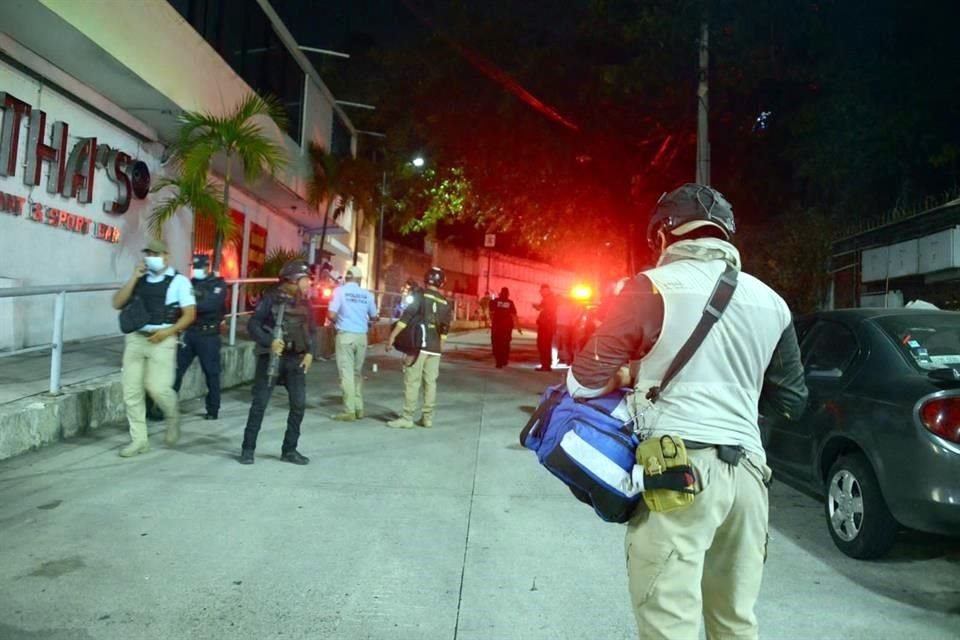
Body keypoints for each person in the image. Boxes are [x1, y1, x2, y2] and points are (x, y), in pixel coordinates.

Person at [566, 183, 808, 640]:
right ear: (724, 235)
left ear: (662, 236)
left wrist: (630, 377)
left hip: (676, 476)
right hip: (749, 479)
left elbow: (582, 382)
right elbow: (791, 401)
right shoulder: (772, 302)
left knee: (670, 624)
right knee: (736, 623)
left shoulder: (652, 286)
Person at [111, 238, 196, 458]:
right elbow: (117, 303)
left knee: (157, 388)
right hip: (136, 339)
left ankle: (172, 414)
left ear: (166, 256)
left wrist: (168, 332)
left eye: (156, 254)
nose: (151, 258)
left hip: (162, 340)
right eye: (148, 254)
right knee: (131, 392)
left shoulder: (179, 281)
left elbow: (189, 315)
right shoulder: (140, 278)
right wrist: (133, 277)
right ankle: (139, 440)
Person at [239, 260, 317, 465]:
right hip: (271, 358)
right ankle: (248, 448)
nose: (309, 283)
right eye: (305, 279)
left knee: (298, 405)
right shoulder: (270, 299)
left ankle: (289, 450)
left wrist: (310, 353)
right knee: (260, 404)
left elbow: (312, 330)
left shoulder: (305, 303)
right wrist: (270, 342)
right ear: (293, 280)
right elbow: (254, 324)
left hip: (295, 359)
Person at [385, 267, 453, 429]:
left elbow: (405, 318)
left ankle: (407, 417)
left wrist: (392, 337)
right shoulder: (445, 303)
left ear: (426, 279)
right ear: (441, 282)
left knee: (413, 381)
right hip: (434, 348)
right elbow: (445, 330)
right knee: (430, 383)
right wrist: (439, 349)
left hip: (418, 346)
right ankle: (427, 418)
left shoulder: (420, 295)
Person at [171, 254, 226, 420]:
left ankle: (213, 409)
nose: (196, 270)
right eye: (194, 267)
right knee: (176, 371)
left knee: (211, 374)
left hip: (208, 335)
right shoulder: (190, 283)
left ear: (207, 267)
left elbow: (211, 305)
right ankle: (167, 407)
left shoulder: (218, 284)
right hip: (190, 333)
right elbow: (179, 305)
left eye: (199, 267)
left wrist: (189, 303)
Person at [328, 265, 379, 422]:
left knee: (346, 374)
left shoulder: (339, 291)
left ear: (347, 278)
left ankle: (349, 411)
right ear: (359, 280)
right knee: (357, 373)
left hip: (345, 336)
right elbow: (374, 316)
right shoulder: (367, 295)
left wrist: (339, 322)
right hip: (361, 337)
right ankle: (358, 408)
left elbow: (331, 314)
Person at [490, 287, 521, 368]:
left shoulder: (495, 301)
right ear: (508, 294)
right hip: (507, 327)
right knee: (506, 344)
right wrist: (518, 327)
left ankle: (499, 362)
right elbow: (514, 315)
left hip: (497, 326)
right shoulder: (510, 302)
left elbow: (491, 312)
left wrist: (491, 322)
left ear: (500, 293)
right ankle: (504, 360)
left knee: (497, 344)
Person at [533, 284, 558, 371]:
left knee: (543, 345)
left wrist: (537, 307)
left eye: (542, 291)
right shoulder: (550, 299)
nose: (540, 293)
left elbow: (543, 309)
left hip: (546, 325)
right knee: (545, 345)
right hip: (547, 325)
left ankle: (546, 365)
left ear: (546, 290)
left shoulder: (549, 299)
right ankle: (546, 364)